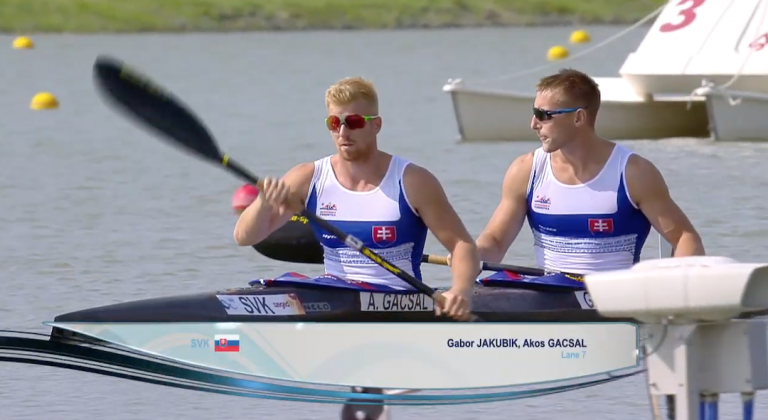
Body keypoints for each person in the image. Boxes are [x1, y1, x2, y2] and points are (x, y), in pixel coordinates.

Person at [233, 76, 480, 321]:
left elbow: (462, 245)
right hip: (334, 299)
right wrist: (263, 203)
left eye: (353, 122)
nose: (343, 132)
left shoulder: (413, 181)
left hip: (399, 306)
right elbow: (245, 237)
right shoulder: (307, 178)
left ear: (376, 125)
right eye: (334, 123)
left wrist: (460, 290)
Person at [448, 68, 705, 274]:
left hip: (614, 300)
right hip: (549, 296)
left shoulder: (634, 173)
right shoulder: (525, 170)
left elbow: (686, 238)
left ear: (578, 117)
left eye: (543, 115)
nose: (533, 124)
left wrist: (677, 288)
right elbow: (495, 241)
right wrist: (471, 255)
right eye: (534, 113)